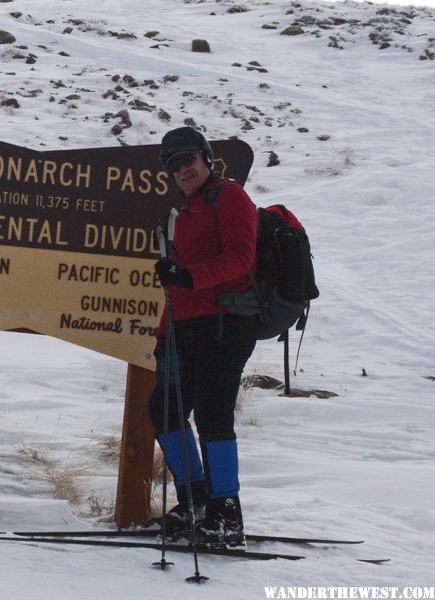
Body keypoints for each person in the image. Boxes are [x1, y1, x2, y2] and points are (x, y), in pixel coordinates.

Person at [149, 126, 258, 550]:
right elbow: (178, 285)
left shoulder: (228, 197)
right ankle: (194, 501)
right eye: (173, 165)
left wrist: (190, 275)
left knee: (213, 416)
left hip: (224, 325)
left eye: (188, 160)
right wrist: (164, 333)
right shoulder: (185, 211)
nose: (182, 169)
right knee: (164, 409)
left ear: (206, 160)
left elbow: (240, 257)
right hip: (184, 329)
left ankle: (226, 514)